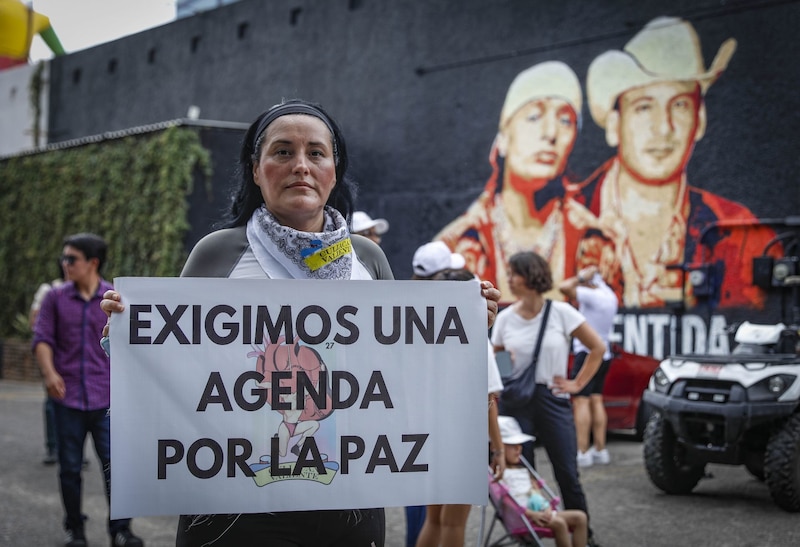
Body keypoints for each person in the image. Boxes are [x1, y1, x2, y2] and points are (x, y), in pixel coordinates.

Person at [99, 99, 502, 546]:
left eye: (316, 153)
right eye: (283, 152)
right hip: (230, 503)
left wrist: (462, 331)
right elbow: (173, 367)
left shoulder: (366, 258)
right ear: (256, 168)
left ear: (334, 168)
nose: (301, 166)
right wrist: (126, 333)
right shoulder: (216, 253)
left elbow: (403, 371)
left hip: (347, 496)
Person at [571, 16, 778, 309]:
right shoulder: (567, 220)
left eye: (680, 104)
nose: (664, 127)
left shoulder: (743, 237)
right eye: (644, 107)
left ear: (700, 119)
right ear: (615, 125)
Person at [435, 61, 585, 305]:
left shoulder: (591, 236)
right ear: (502, 139)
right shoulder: (458, 240)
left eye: (565, 121)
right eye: (534, 116)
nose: (551, 133)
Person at [31, 233, 143, 547]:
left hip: (107, 400)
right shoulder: (55, 297)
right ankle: (75, 531)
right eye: (63, 259)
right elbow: (42, 339)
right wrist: (50, 373)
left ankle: (120, 530)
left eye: (71, 259)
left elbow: (133, 345)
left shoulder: (115, 297)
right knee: (69, 469)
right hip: (66, 399)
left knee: (117, 470)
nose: (64, 264)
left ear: (92, 262)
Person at [491, 251, 604, 547]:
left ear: (530, 276)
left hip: (552, 399)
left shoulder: (561, 313)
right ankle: (531, 536)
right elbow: (497, 368)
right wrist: (505, 358)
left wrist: (577, 384)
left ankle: (585, 536)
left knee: (567, 471)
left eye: (514, 273)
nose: (510, 278)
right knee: (523, 474)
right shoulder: (505, 319)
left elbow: (597, 348)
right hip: (516, 402)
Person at [414, 267, 506, 547]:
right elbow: (487, 398)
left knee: (434, 519)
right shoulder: (473, 336)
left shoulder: (419, 337)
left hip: (428, 436)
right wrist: (499, 449)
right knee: (453, 522)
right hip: (462, 439)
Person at [558, 265, 619, 467]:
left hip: (587, 352)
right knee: (596, 399)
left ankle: (582, 451)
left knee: (581, 401)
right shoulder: (610, 296)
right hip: (605, 353)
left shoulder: (593, 296)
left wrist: (580, 277)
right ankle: (600, 449)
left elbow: (564, 287)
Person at [498, 416, 588, 547]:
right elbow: (506, 501)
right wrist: (531, 514)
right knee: (560, 523)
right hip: (524, 518)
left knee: (580, 517)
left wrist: (547, 507)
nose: (519, 449)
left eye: (520, 445)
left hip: (540, 512)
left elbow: (536, 494)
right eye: (512, 446)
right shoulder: (499, 475)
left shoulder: (523, 471)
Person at [29, 259, 67, 466]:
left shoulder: (94, 290)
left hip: (79, 357)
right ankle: (53, 446)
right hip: (56, 353)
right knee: (53, 402)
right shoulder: (50, 290)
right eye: (65, 260)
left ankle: (72, 450)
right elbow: (35, 322)